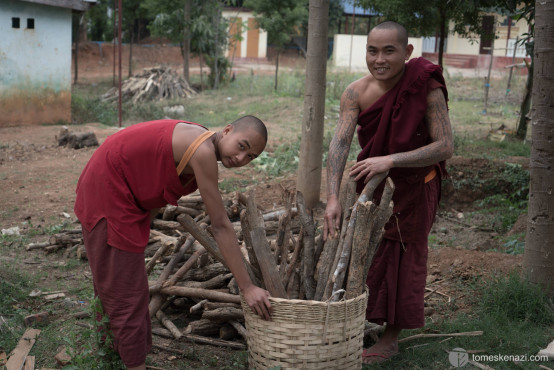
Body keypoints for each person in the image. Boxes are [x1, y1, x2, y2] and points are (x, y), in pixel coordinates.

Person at [74, 116, 273, 370]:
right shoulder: (202, 152)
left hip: (125, 194)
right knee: (127, 290)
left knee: (116, 279)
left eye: (251, 157)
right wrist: (247, 288)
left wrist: (140, 226)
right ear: (227, 131)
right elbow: (220, 225)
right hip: (108, 186)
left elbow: (156, 183)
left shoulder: (202, 142)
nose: (242, 158)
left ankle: (111, 358)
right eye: (242, 146)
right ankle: (131, 364)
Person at [323, 21, 453, 364]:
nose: (379, 59)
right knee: (369, 253)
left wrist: (390, 160)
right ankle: (366, 318)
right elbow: (339, 144)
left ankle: (392, 336)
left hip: (415, 187)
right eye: (372, 50)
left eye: (389, 51)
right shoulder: (355, 92)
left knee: (403, 256)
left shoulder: (425, 86)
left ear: (407, 53)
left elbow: (445, 145)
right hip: (374, 188)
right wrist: (333, 197)